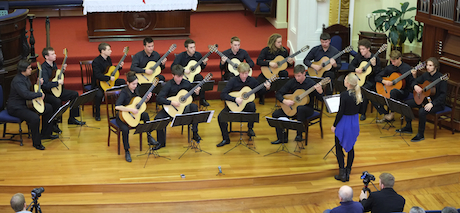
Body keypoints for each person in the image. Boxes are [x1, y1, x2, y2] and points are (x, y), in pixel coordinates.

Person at [7, 60, 57, 150]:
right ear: (23, 70)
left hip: (26, 104)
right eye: (29, 68)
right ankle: (36, 143)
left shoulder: (25, 77)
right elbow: (25, 94)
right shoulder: (18, 81)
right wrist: (39, 94)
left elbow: (30, 89)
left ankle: (46, 134)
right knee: (34, 118)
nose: (31, 69)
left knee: (48, 108)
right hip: (16, 107)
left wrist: (38, 84)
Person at [217, 62, 269, 147]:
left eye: (246, 73)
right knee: (220, 117)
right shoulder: (233, 81)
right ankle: (226, 139)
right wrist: (235, 99)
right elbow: (223, 94)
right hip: (235, 105)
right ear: (239, 72)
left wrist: (267, 88)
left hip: (246, 106)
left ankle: (250, 128)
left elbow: (260, 92)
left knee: (252, 105)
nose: (244, 76)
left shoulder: (252, 81)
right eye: (242, 73)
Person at [396, 57, 447, 142]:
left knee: (422, 111)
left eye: (430, 65)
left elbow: (443, 95)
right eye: (427, 65)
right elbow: (414, 82)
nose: (428, 67)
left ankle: (420, 134)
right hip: (424, 99)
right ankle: (408, 127)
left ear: (436, 67)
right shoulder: (426, 75)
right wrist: (416, 86)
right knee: (406, 104)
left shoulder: (441, 78)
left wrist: (432, 104)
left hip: (437, 103)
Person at [271, 65, 323, 144]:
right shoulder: (292, 82)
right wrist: (284, 101)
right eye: (295, 76)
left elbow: (322, 99)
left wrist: (320, 92)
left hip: (308, 109)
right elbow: (278, 93)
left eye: (299, 76)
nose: (297, 78)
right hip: (294, 107)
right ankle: (282, 138)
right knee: (275, 114)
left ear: (304, 74)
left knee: (300, 109)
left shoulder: (311, 84)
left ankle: (299, 135)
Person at [115, 71, 160, 162]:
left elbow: (139, 104)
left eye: (136, 83)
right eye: (133, 84)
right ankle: (127, 151)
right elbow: (117, 106)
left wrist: (147, 99)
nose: (135, 86)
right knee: (125, 129)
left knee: (146, 115)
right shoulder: (124, 92)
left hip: (134, 114)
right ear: (128, 83)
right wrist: (130, 110)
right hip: (122, 116)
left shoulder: (136, 89)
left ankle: (149, 136)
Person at [154, 64, 202, 147]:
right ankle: (161, 142)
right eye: (177, 76)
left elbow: (191, 97)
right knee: (157, 119)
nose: (180, 79)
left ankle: (195, 133)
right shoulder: (168, 85)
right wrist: (171, 102)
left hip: (183, 109)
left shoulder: (187, 83)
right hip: (171, 109)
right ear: (173, 75)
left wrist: (196, 93)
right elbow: (159, 99)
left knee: (194, 107)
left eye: (181, 76)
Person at [41, 47, 86, 133]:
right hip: (48, 93)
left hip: (56, 90)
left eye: (55, 53)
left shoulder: (53, 64)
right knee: (56, 101)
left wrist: (62, 72)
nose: (55, 55)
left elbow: (54, 77)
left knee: (75, 94)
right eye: (52, 54)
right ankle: (54, 124)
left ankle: (72, 118)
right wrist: (57, 83)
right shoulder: (44, 69)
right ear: (46, 57)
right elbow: (45, 85)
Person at [332, 73, 362, 182]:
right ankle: (348, 171)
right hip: (354, 122)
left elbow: (340, 112)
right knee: (351, 147)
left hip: (344, 122)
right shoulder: (358, 94)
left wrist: (334, 125)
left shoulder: (344, 95)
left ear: (348, 83)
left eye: (345, 80)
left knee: (338, 147)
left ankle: (342, 173)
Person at [374, 50, 415, 123]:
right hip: (390, 89)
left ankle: (392, 114)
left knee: (393, 92)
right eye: (391, 61)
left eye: (394, 61)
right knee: (375, 96)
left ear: (399, 59)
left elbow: (412, 83)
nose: (392, 63)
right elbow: (377, 77)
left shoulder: (407, 68)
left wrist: (414, 76)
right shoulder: (390, 67)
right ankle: (386, 114)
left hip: (403, 91)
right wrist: (385, 81)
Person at [348, 39, 382, 121]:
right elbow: (350, 66)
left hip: (370, 81)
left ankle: (362, 113)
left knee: (363, 90)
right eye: (360, 49)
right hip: (359, 79)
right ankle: (351, 109)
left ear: (368, 49)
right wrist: (356, 69)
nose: (361, 51)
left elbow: (378, 73)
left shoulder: (375, 59)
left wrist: (374, 66)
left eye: (363, 49)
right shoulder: (359, 57)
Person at [92, 42, 126, 121]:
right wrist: (108, 78)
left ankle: (120, 107)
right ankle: (97, 114)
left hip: (109, 82)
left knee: (122, 82)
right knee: (99, 95)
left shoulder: (108, 59)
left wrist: (119, 67)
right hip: (98, 84)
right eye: (109, 49)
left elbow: (111, 70)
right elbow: (97, 75)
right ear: (103, 51)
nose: (111, 51)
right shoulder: (96, 62)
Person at [256, 33, 294, 105]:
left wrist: (290, 63)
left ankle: (282, 96)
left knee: (285, 75)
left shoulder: (284, 51)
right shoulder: (266, 50)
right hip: (267, 72)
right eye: (278, 42)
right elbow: (258, 61)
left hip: (279, 73)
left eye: (281, 42)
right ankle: (261, 97)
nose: (280, 44)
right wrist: (269, 63)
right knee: (258, 83)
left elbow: (286, 65)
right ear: (273, 42)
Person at [171, 38, 209, 107]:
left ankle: (202, 99)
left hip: (194, 76)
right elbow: (173, 66)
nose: (193, 49)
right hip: (184, 77)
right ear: (186, 48)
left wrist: (204, 63)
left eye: (194, 47)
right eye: (191, 47)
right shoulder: (181, 56)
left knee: (200, 77)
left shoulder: (198, 55)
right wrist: (184, 70)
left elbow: (201, 68)